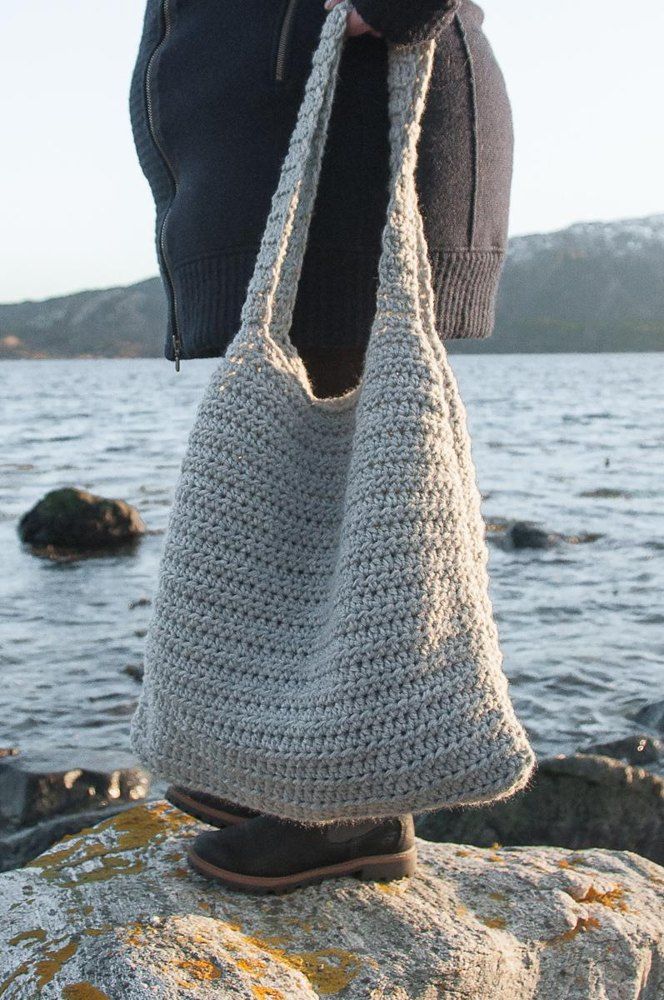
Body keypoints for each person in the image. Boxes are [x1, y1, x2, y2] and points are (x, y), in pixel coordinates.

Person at [130, 0, 513, 892]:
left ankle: (346, 805)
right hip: (284, 108)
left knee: (359, 494)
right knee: (305, 513)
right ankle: (288, 766)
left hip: (355, 100)